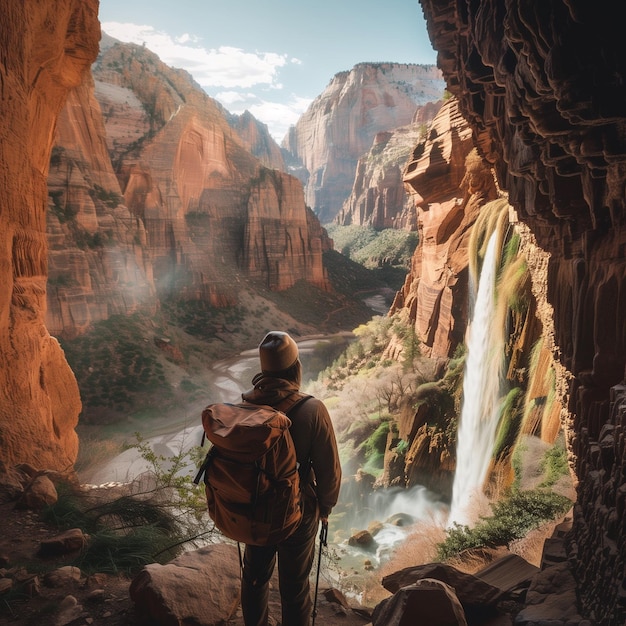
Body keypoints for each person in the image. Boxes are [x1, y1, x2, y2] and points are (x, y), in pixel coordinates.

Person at [240, 331, 342, 626]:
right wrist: (326, 508)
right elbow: (329, 470)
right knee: (295, 588)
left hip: (255, 507)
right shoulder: (312, 409)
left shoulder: (247, 405)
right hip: (297, 512)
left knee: (254, 578)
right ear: (295, 368)